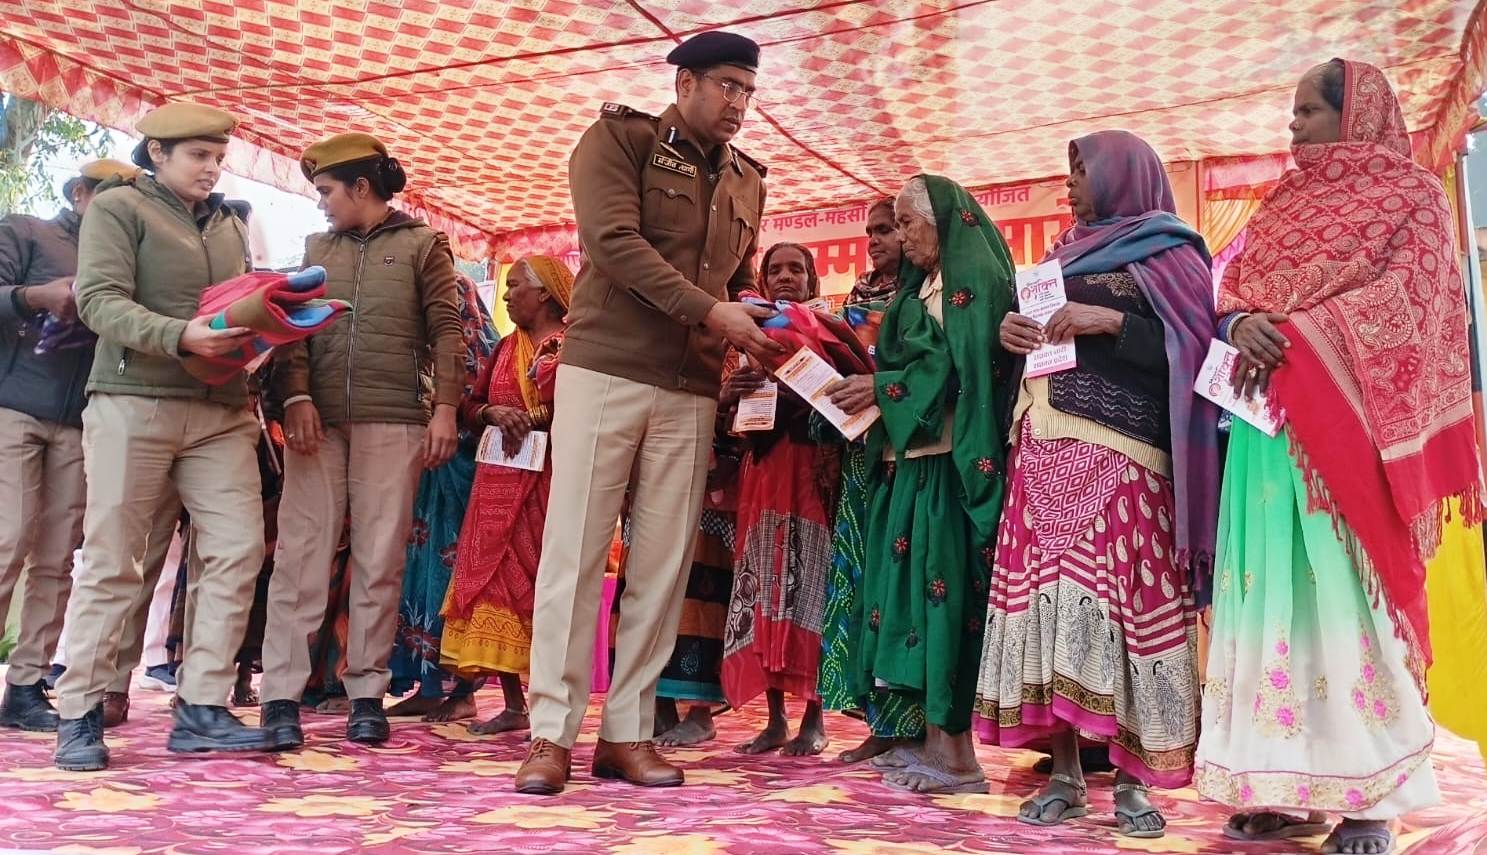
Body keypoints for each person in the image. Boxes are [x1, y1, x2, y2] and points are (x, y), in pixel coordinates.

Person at [1196, 59, 1479, 855]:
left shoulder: (1413, 197)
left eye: (1307, 112)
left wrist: (1297, 333)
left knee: (1344, 600)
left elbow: (1412, 306)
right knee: (1271, 602)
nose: (1293, 126)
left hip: (1351, 440)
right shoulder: (1283, 201)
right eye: (1291, 113)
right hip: (1267, 439)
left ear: (1352, 115)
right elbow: (1235, 288)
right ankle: (1286, 786)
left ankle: (1371, 799)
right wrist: (1239, 323)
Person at [513, 30, 780, 795]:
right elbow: (613, 243)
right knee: (574, 553)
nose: (738, 102)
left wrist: (756, 321)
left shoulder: (747, 180)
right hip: (606, 367)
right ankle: (550, 733)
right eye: (726, 85)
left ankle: (627, 733)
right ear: (685, 83)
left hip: (691, 384)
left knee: (660, 566)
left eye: (747, 90)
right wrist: (713, 311)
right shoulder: (620, 140)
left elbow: (733, 278)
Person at [975, 130, 1217, 838]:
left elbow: (1197, 352)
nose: (1071, 183)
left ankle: (1135, 785)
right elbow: (1038, 348)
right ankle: (1065, 775)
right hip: (1041, 450)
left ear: (1121, 174)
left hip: (1127, 458)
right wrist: (1011, 336)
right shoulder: (1059, 255)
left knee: (1127, 609)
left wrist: (1109, 320)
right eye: (1070, 171)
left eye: (1082, 170)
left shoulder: (1170, 253)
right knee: (1050, 608)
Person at [53, 103, 276, 770]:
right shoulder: (118, 207)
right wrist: (180, 335)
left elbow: (232, 306)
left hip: (221, 408)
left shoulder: (231, 223)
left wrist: (272, 325)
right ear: (157, 152)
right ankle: (80, 710)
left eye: (218, 157)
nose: (212, 169)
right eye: (198, 156)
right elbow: (98, 301)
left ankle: (202, 706)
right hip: (133, 402)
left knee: (238, 548)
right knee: (114, 558)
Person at [259, 133, 464, 750]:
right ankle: (280, 696)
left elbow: (447, 330)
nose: (320, 202)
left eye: (326, 190)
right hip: (316, 424)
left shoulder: (424, 244)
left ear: (362, 187)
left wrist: (445, 410)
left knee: (380, 558)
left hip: (396, 418)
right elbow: (292, 331)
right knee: (300, 556)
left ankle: (367, 694)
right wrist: (296, 398)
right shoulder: (315, 248)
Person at [826, 175, 1015, 795]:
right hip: (912, 459)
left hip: (954, 465)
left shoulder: (974, 278)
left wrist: (881, 389)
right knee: (911, 600)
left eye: (908, 223)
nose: (901, 236)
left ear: (943, 221)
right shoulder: (921, 286)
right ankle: (928, 742)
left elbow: (964, 369)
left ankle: (958, 758)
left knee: (947, 601)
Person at [0, 158, 135, 732]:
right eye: (108, 199)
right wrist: (36, 295)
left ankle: (26, 686)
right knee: (7, 540)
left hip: (83, 421)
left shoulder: (129, 256)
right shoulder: (26, 231)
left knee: (58, 557)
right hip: (13, 407)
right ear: (80, 193)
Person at [439, 257, 571, 734]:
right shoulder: (505, 348)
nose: (508, 295)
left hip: (550, 482)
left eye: (517, 286)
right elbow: (470, 404)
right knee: (493, 583)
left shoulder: (573, 345)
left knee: (545, 587)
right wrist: (492, 413)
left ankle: (553, 704)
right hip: (495, 486)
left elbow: (585, 407)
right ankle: (515, 704)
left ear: (545, 293)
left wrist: (533, 419)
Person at [816, 198, 926, 764]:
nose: (877, 239)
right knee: (860, 585)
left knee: (900, 586)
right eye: (872, 231)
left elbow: (938, 372)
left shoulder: (928, 295)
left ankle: (913, 726)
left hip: (913, 455)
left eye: (890, 228)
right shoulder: (852, 306)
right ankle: (878, 721)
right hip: (860, 456)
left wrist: (882, 384)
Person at [721, 242, 837, 757]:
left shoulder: (829, 330)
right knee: (763, 586)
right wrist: (732, 393)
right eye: (775, 269)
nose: (785, 276)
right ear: (764, 280)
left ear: (812, 279)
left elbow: (842, 397)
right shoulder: (748, 334)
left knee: (809, 584)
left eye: (796, 269)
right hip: (762, 473)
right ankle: (774, 719)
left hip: (809, 469)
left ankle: (815, 717)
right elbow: (730, 419)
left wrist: (796, 392)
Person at [385, 273, 498, 723]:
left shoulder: (455, 300)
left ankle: (461, 688)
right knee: (420, 567)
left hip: (459, 466)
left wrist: (445, 415)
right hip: (430, 467)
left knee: (450, 571)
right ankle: (429, 685)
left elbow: (471, 388)